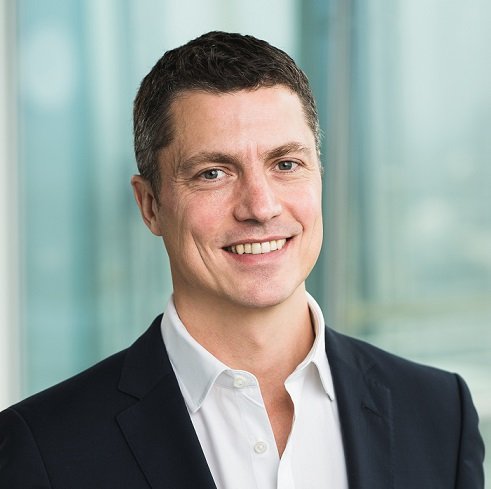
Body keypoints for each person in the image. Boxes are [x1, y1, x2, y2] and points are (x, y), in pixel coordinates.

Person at [0, 31, 484, 489]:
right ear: (150, 205)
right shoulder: (44, 449)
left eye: (286, 164)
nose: (261, 206)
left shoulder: (441, 413)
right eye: (213, 173)